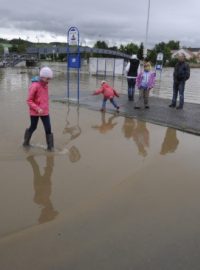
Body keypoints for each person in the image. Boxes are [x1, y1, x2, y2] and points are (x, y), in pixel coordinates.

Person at [23, 66, 54, 151]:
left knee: (48, 129)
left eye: (50, 79)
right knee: (33, 127)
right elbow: (29, 100)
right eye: (48, 79)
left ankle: (50, 148)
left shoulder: (45, 85)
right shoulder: (35, 85)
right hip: (35, 111)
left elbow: (42, 96)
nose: (49, 81)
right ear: (42, 77)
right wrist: (37, 109)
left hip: (45, 111)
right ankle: (26, 143)